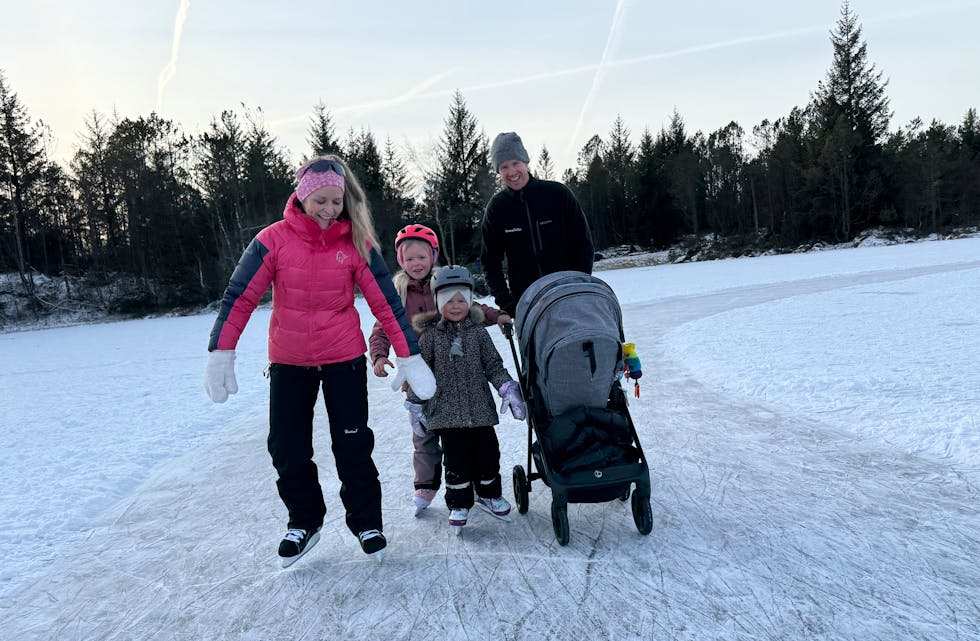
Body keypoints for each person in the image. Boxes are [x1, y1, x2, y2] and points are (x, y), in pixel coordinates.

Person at [204, 155, 436, 567]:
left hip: (343, 359)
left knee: (353, 443)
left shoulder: (356, 242)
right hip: (289, 361)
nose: (329, 210)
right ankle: (304, 520)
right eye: (321, 201)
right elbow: (239, 296)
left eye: (336, 201)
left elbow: (386, 302)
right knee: (286, 446)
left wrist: (409, 355)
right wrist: (222, 351)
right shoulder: (272, 240)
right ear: (302, 197)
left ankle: (367, 523)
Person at [368, 224, 511, 516]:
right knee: (424, 434)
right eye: (409, 259)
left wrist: (498, 316)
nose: (416, 263)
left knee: (464, 433)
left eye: (422, 257)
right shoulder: (397, 293)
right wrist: (379, 355)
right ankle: (426, 484)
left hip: (454, 369)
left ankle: (474, 482)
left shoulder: (443, 283)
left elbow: (472, 307)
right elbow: (382, 327)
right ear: (401, 261)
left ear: (433, 256)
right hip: (417, 376)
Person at [406, 265, 526, 530]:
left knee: (488, 455)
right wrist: (415, 403)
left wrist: (507, 387)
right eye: (449, 300)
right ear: (438, 302)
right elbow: (421, 374)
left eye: (462, 300)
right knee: (456, 461)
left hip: (480, 409)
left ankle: (489, 495)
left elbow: (493, 365)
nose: (456, 306)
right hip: (445, 414)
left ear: (470, 300)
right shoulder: (430, 336)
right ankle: (459, 503)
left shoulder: (478, 332)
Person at [480, 131, 595, 316]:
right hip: (527, 306)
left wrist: (578, 285)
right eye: (504, 167)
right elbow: (490, 262)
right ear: (498, 171)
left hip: (569, 296)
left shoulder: (558, 194)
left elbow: (583, 245)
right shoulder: (497, 208)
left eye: (515, 163)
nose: (511, 172)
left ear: (525, 162)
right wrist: (507, 303)